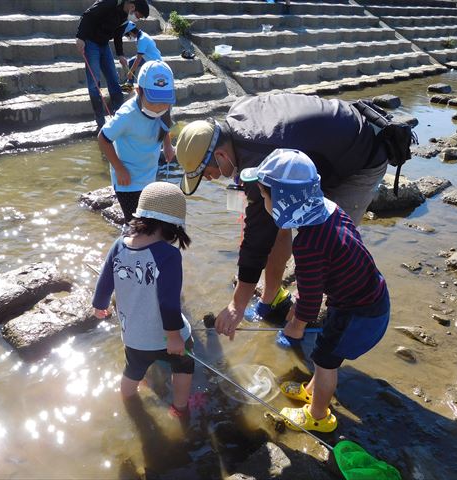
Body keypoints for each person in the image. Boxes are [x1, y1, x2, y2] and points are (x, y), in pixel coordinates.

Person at [175, 93, 388, 334]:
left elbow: (257, 239)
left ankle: (303, 318)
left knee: (323, 241)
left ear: (221, 155)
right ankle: (270, 298)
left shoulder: (260, 156)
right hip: (321, 149)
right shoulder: (236, 118)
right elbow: (271, 226)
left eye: (206, 172)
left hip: (359, 155)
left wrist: (237, 303)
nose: (208, 178)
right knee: (280, 219)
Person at [239, 148, 390, 432]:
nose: (263, 201)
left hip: (359, 313)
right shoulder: (330, 210)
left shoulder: (309, 244)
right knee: (328, 353)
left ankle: (318, 416)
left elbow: (310, 298)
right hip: (369, 297)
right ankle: (312, 390)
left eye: (265, 196)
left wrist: (296, 325)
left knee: (324, 360)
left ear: (284, 199)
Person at [92, 182, 194, 418]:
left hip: (133, 336)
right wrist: (173, 336)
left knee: (132, 370)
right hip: (164, 337)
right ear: (173, 227)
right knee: (184, 365)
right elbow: (169, 302)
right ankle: (180, 408)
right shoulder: (168, 255)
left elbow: (105, 281)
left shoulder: (119, 245)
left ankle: (128, 401)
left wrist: (100, 305)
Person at [98, 60, 176, 223]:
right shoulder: (127, 115)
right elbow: (103, 139)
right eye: (154, 101)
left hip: (149, 175)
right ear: (139, 91)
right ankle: (125, 247)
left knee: (150, 222)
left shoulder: (164, 107)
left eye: (164, 101)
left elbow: (165, 121)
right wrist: (119, 168)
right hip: (128, 182)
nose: (160, 107)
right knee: (135, 225)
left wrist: (167, 145)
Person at [76, 0, 150, 129]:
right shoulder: (110, 3)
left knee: (114, 80)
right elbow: (87, 15)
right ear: (132, 6)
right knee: (94, 83)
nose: (136, 19)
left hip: (104, 45)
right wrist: (80, 37)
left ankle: (119, 118)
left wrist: (120, 54)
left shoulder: (125, 16)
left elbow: (118, 34)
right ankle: (100, 123)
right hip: (90, 43)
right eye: (138, 16)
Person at [122, 21, 163, 85]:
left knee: (150, 79)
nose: (127, 37)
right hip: (148, 57)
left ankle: (130, 84)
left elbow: (138, 59)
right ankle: (129, 84)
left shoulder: (142, 39)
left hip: (154, 62)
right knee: (131, 62)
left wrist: (130, 72)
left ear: (130, 32)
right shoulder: (141, 35)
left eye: (127, 35)